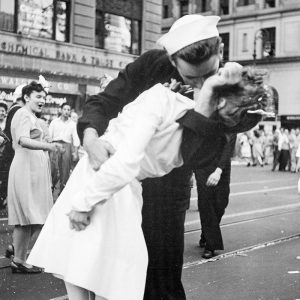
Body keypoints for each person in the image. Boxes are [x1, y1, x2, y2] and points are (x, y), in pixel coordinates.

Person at [27, 65, 269, 299]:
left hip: (103, 181)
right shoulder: (204, 138)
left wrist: (83, 202)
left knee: (83, 271)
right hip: (119, 188)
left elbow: (126, 161)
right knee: (102, 277)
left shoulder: (165, 101)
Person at [75, 14, 264, 300]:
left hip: (167, 191)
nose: (201, 81)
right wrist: (90, 137)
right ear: (172, 60)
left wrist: (225, 108)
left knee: (162, 280)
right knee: (106, 275)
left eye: (207, 73)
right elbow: (104, 101)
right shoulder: (151, 65)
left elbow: (204, 154)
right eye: (191, 77)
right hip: (118, 187)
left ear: (221, 51)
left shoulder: (229, 88)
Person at [6, 81, 62, 273]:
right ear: (27, 97)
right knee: (27, 216)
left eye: (44, 98)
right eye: (38, 97)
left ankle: (19, 256)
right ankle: (19, 259)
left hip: (33, 169)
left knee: (33, 216)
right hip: (25, 168)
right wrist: (49, 146)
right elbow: (22, 140)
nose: (42, 101)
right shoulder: (22, 113)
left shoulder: (30, 116)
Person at [194, 133, 236, 259]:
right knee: (206, 202)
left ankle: (205, 234)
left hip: (222, 166)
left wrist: (218, 170)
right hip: (203, 164)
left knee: (221, 202)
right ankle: (211, 245)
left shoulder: (230, 119)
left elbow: (229, 146)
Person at [49, 103, 80, 193]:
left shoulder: (72, 124)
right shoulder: (54, 122)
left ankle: (62, 191)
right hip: (55, 145)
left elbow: (76, 139)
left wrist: (75, 153)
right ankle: (51, 187)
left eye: (68, 110)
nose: (66, 111)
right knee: (53, 168)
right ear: (61, 110)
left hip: (67, 146)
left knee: (65, 170)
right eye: (65, 109)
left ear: (70, 112)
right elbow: (49, 136)